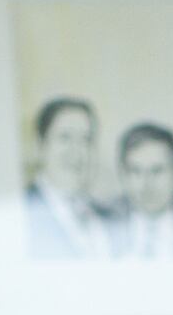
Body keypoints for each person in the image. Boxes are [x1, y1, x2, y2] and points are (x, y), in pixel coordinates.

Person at [21, 97, 116, 259]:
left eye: (85, 139)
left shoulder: (108, 215)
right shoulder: (19, 211)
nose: (77, 151)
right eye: (65, 137)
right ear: (40, 146)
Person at [110, 123, 173, 260]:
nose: (146, 184)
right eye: (136, 171)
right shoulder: (101, 225)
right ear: (122, 174)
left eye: (157, 171)